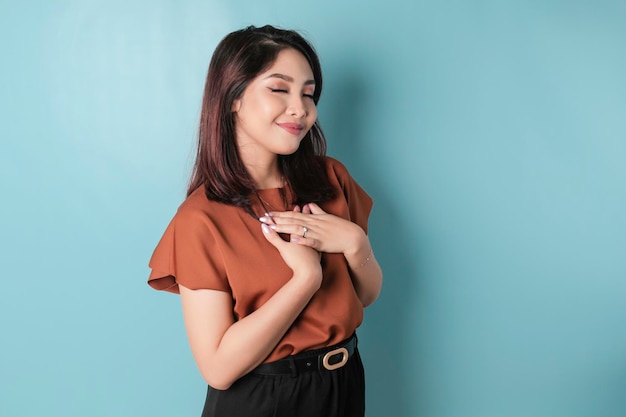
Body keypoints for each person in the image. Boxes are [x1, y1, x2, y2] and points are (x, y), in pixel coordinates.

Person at [147, 25, 383, 417]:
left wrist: (356, 243)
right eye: (279, 89)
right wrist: (305, 281)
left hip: (344, 386)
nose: (300, 108)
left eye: (308, 93)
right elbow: (218, 368)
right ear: (233, 98)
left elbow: (366, 296)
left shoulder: (332, 179)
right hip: (264, 400)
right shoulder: (201, 218)